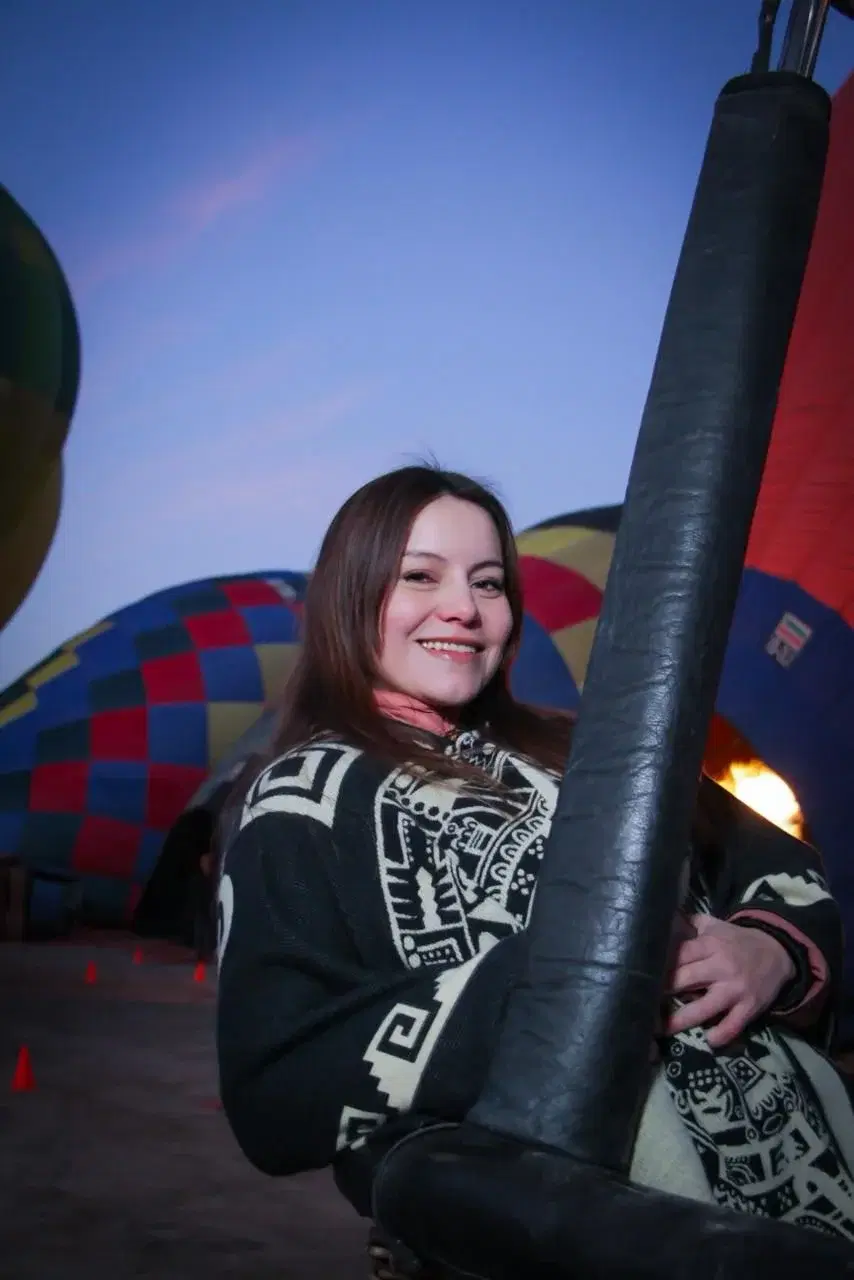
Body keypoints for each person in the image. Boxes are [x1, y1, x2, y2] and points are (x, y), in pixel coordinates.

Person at [215, 464, 854, 1276]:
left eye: (489, 583)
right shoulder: (301, 800)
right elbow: (274, 1091)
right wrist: (567, 976)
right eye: (421, 576)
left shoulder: (593, 754)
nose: (464, 609)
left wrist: (772, 953)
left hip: (804, 1157)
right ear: (352, 594)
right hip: (588, 1229)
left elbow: (785, 869)